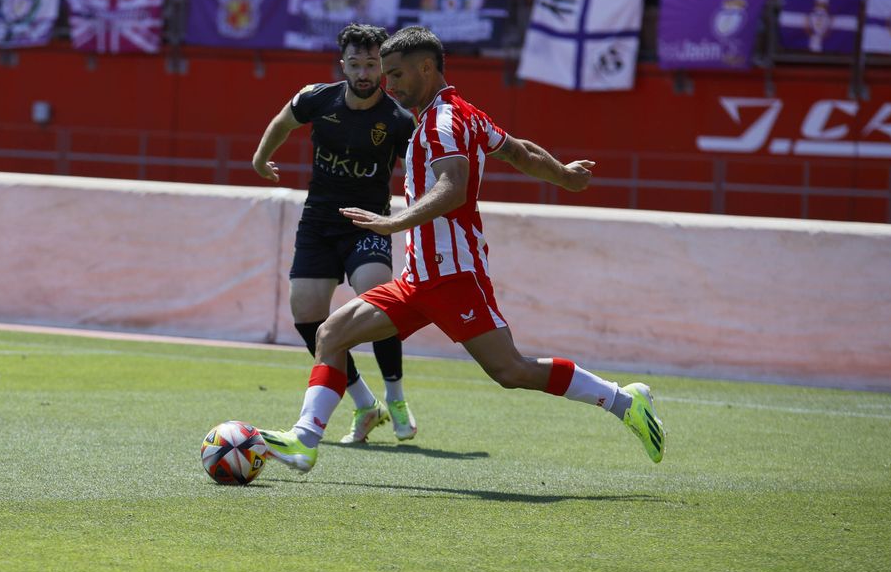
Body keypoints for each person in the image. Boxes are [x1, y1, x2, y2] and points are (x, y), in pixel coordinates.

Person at [255, 26, 666, 472]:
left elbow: (453, 188)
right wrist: (564, 176)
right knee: (330, 334)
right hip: (418, 279)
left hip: (452, 275)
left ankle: (624, 401)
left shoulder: (442, 122)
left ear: (425, 68)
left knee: (511, 370)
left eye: (396, 74)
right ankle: (304, 440)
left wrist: (394, 222)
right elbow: (520, 151)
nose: (390, 84)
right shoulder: (463, 113)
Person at [250, 23, 420, 444]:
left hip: (368, 223)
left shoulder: (398, 120)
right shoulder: (316, 98)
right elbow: (282, 122)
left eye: (372, 65)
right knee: (307, 316)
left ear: (383, 67)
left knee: (377, 299)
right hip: (319, 223)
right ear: (342, 64)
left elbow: (420, 174)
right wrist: (260, 159)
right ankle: (366, 404)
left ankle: (396, 396)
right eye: (356, 64)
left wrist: (414, 215)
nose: (364, 73)